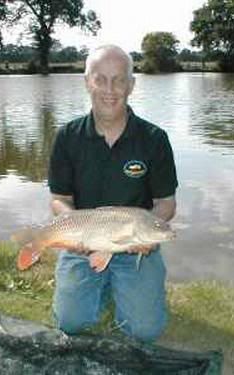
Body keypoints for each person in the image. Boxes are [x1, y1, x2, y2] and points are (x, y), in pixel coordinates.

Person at [47, 44, 178, 342]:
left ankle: (129, 284)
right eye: (100, 79)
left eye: (119, 79)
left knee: (144, 330)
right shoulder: (68, 137)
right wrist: (73, 230)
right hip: (83, 243)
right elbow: (59, 199)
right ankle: (103, 283)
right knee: (71, 323)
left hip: (135, 250)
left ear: (131, 85)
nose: (110, 89)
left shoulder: (154, 139)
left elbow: (166, 203)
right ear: (87, 82)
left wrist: (146, 234)